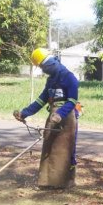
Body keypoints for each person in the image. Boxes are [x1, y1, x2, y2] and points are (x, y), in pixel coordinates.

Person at [13, 48, 80, 189]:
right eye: (42, 68)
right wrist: (24, 113)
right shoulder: (50, 81)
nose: (44, 70)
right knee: (48, 148)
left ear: (52, 62)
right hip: (53, 118)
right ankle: (47, 181)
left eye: (44, 66)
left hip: (66, 118)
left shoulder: (69, 78)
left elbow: (72, 101)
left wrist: (60, 114)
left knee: (65, 150)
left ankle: (67, 182)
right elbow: (41, 100)